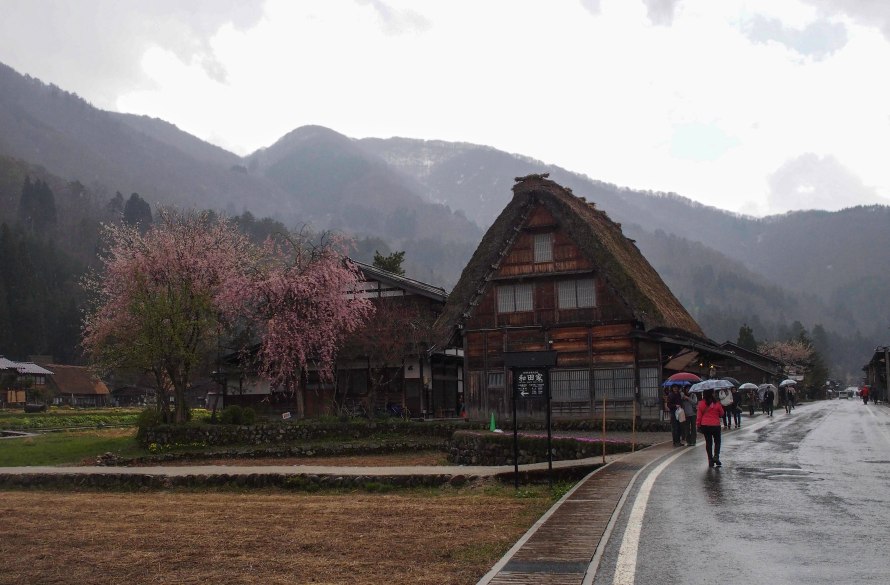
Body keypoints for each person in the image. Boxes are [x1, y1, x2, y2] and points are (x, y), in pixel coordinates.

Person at [697, 388, 725, 467]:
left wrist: (698, 425)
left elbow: (699, 416)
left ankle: (710, 459)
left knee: (708, 442)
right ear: (712, 394)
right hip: (715, 425)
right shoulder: (717, 403)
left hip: (705, 425)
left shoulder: (701, 403)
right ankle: (716, 456)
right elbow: (722, 414)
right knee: (717, 441)